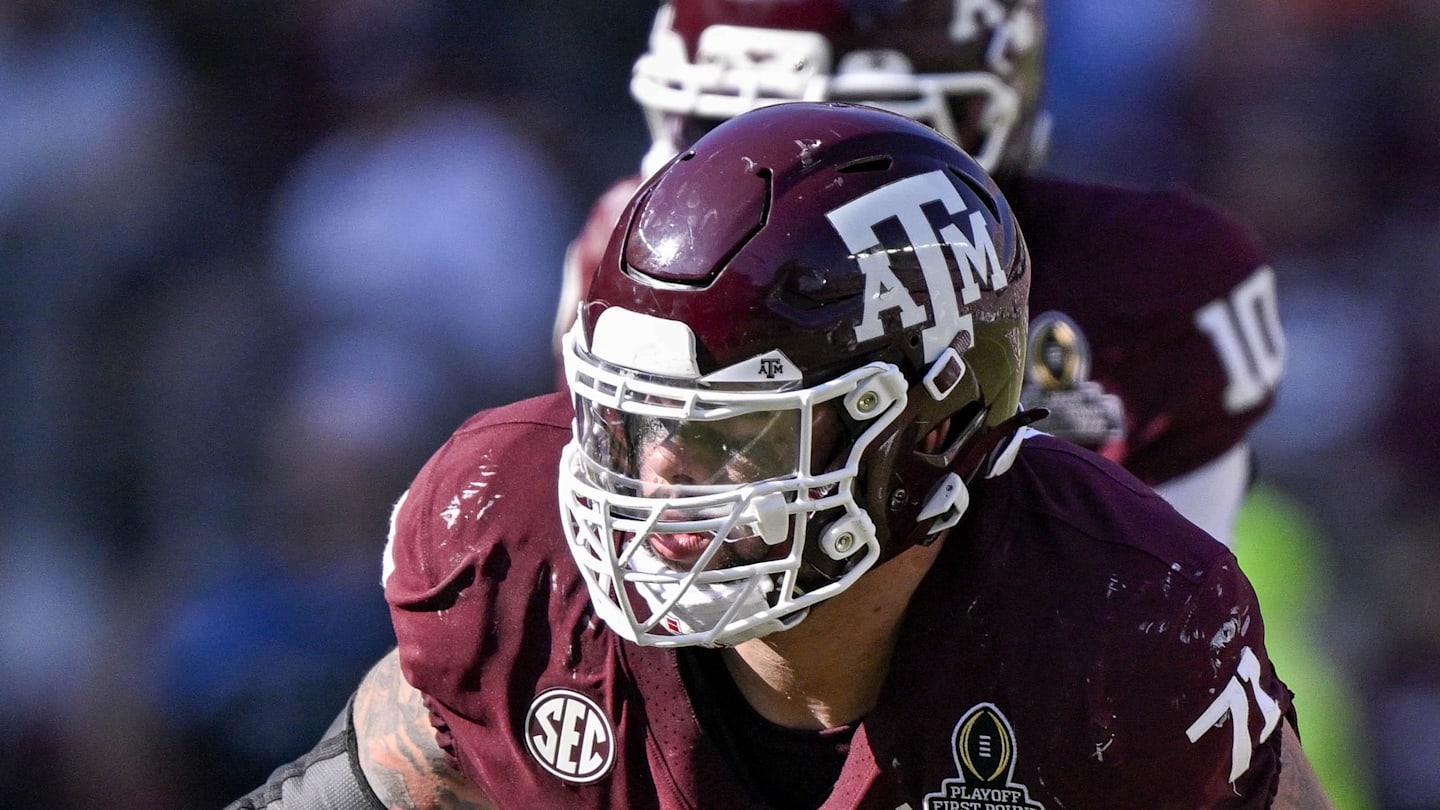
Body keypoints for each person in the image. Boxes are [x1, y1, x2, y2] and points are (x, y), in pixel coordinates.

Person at [227, 101, 1332, 808]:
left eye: (731, 431)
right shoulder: (515, 555)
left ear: (929, 436)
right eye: (633, 420)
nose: (657, 472)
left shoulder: (1119, 627)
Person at [555, 0, 1286, 549]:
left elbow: (1156, 613)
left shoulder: (1148, 283)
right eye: (717, 133)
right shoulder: (638, 255)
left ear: (979, 115)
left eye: (846, 152)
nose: (776, 194)